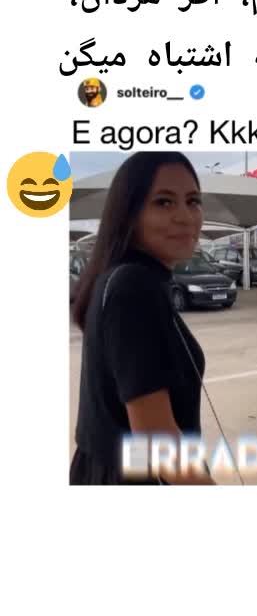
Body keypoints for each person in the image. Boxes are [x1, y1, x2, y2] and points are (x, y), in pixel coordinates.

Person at [70, 152, 215, 485]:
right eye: (164, 202)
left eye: (193, 201)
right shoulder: (133, 285)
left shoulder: (123, 278)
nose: (185, 216)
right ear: (129, 213)